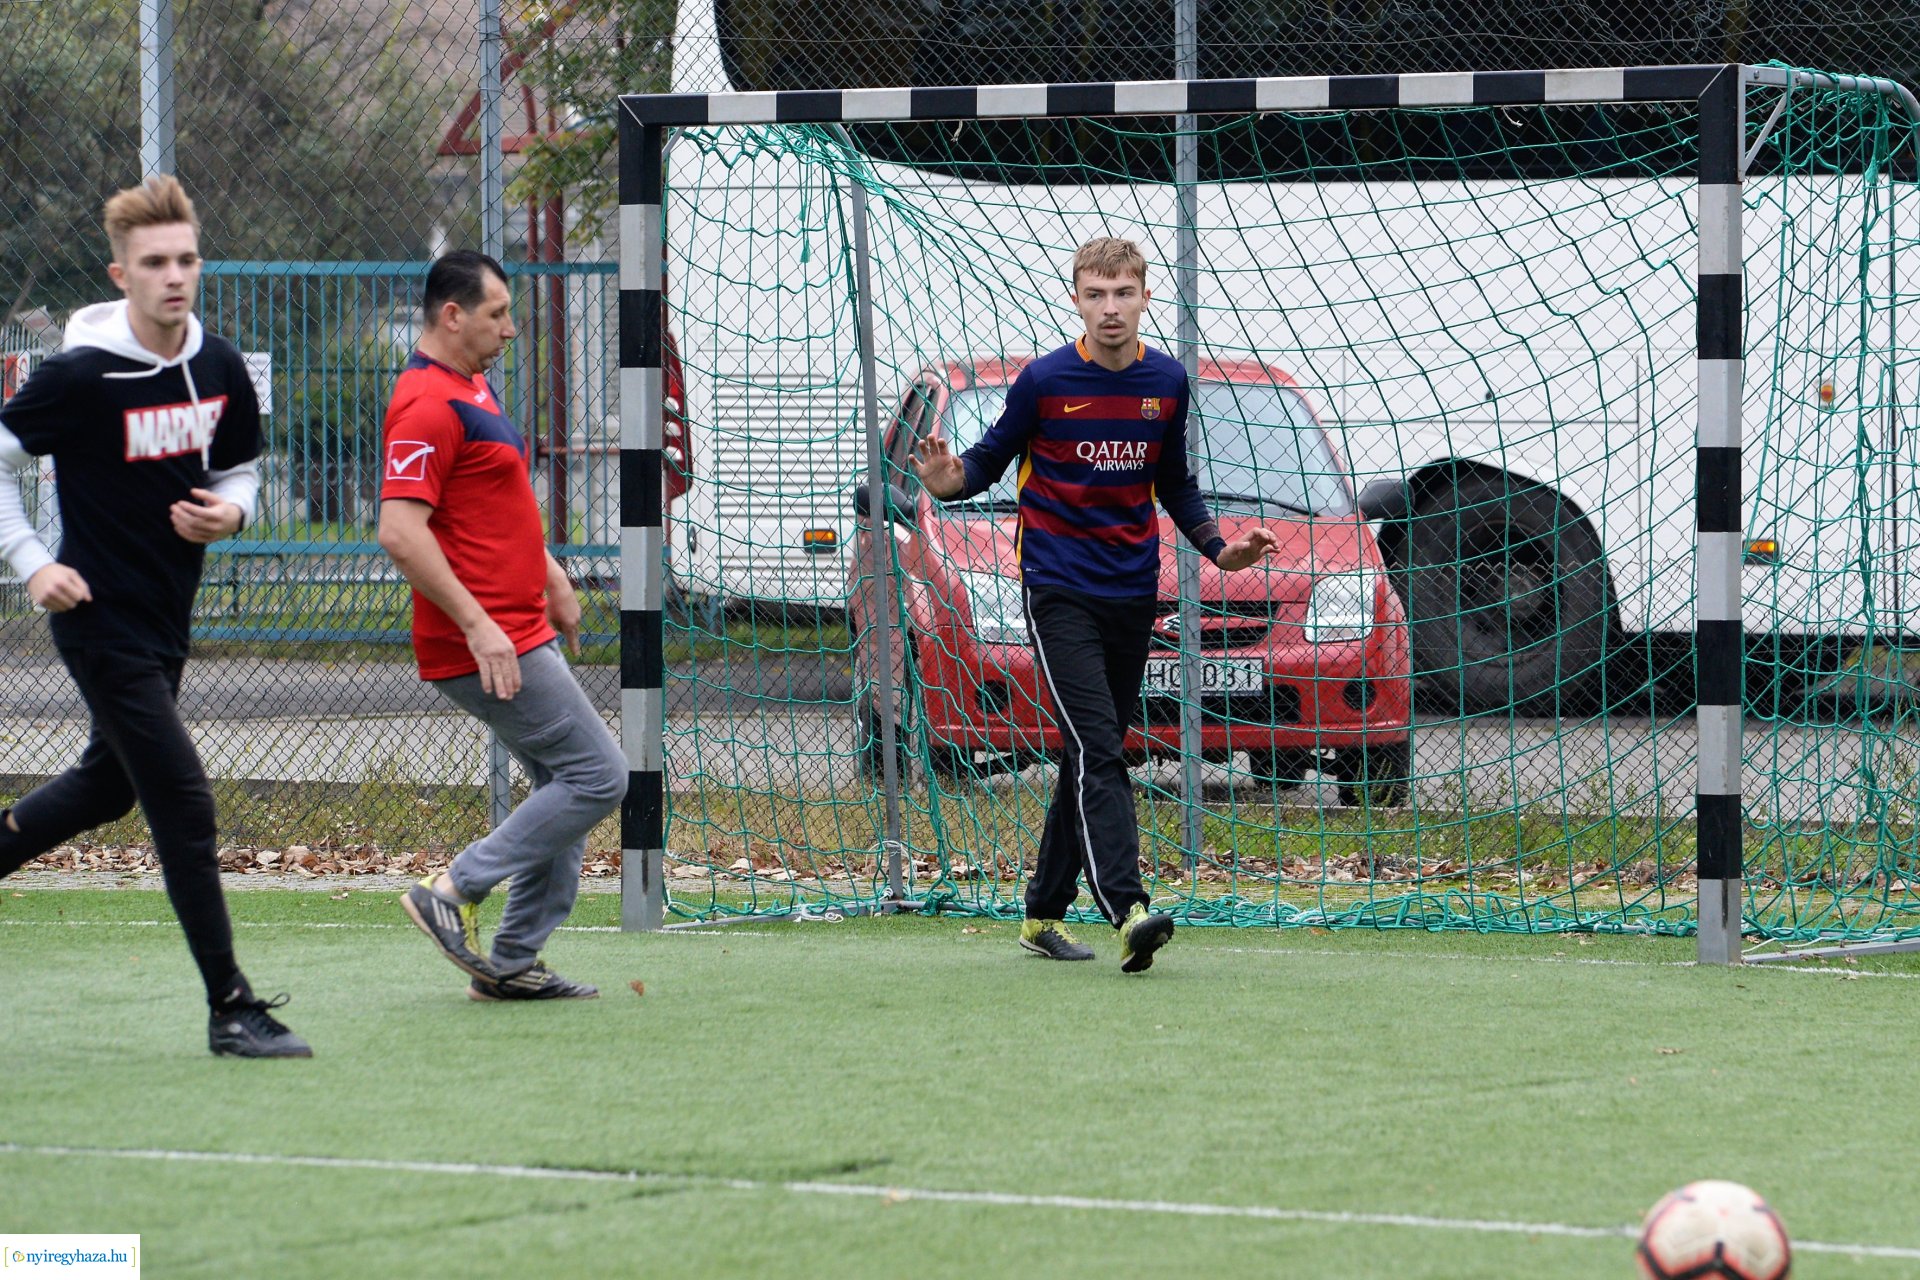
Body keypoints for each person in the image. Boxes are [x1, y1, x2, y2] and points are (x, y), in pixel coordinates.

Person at [0, 175, 310, 1056]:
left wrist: (233, 513)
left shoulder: (218, 367)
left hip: (166, 616)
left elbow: (240, 468)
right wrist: (34, 564)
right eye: (154, 264)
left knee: (107, 788)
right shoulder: (79, 378)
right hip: (97, 618)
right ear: (121, 274)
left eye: (185, 260)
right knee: (180, 795)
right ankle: (232, 1006)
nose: (174, 277)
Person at [912, 237, 1279, 973]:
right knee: (1103, 748)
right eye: (1095, 294)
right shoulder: (1044, 382)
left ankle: (1041, 913)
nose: (1109, 308)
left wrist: (1220, 551)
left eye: (1123, 294)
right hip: (1057, 590)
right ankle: (1130, 910)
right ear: (1076, 300)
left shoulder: (1168, 383)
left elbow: (1175, 483)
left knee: (1087, 753)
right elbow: (982, 464)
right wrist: (950, 480)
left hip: (1132, 592)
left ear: (1145, 298)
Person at [379, 250, 624, 1001]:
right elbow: (400, 531)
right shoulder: (425, 403)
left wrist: (550, 576)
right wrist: (481, 626)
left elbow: (496, 503)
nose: (511, 330)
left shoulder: (472, 387)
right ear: (451, 316)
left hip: (520, 622)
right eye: (497, 315)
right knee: (600, 775)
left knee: (565, 783)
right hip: (487, 641)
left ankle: (512, 963)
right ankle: (450, 891)